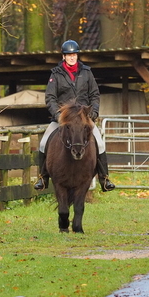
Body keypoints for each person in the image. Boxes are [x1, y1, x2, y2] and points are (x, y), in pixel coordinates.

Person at [34, 40, 115, 192]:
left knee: (100, 143)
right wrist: (58, 115)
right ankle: (42, 177)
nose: (72, 57)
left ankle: (105, 179)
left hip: (84, 118)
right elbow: (50, 97)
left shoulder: (87, 72)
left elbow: (95, 95)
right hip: (63, 119)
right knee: (44, 142)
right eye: (69, 55)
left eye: (74, 55)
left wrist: (94, 112)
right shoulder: (56, 74)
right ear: (63, 56)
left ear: (77, 55)